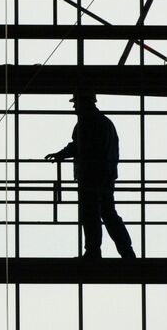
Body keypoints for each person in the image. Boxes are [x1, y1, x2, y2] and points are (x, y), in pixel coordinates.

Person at [45, 92, 136, 259]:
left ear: (83, 102)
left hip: (91, 176)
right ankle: (126, 250)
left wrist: (60, 155)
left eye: (76, 103)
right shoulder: (106, 122)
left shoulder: (86, 122)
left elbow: (79, 147)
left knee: (90, 214)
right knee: (108, 213)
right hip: (106, 174)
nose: (74, 107)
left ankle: (93, 252)